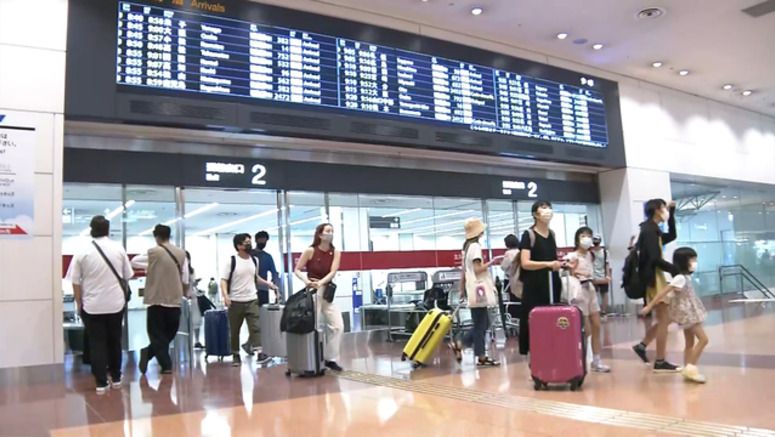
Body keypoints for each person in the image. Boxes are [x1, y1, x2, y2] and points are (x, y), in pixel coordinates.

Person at [70, 215, 133, 394]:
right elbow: (126, 277)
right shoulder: (118, 249)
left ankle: (101, 383)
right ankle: (117, 377)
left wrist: (79, 302)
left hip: (92, 306)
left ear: (91, 230)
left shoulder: (82, 252)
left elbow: (75, 281)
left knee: (97, 343)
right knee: (115, 341)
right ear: (108, 229)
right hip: (115, 304)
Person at [641, 247, 708, 383]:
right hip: (688, 314)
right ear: (685, 261)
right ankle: (691, 368)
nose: (695, 262)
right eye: (692, 259)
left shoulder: (685, 277)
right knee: (703, 339)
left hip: (688, 313)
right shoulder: (680, 278)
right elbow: (663, 292)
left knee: (690, 343)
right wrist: (650, 306)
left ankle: (687, 370)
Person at [132, 224, 189, 375]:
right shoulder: (181, 254)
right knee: (170, 333)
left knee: (157, 334)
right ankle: (165, 364)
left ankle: (150, 354)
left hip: (156, 299)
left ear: (156, 237)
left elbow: (134, 261)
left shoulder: (153, 253)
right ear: (169, 235)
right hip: (175, 299)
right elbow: (185, 277)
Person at [632, 199, 681, 372]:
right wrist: (675, 269)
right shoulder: (649, 230)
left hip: (655, 277)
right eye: (664, 208)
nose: (666, 211)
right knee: (664, 320)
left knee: (664, 320)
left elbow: (672, 235)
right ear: (656, 210)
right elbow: (654, 259)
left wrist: (673, 214)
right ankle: (660, 360)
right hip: (653, 279)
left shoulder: (652, 229)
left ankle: (643, 346)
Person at [449, 218, 502, 366]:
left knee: (480, 322)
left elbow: (465, 272)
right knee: (482, 324)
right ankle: (467, 347)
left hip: (471, 289)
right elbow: (478, 269)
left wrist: (462, 289)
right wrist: (492, 262)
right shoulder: (475, 247)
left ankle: (476, 353)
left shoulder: (466, 248)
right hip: (479, 290)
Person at [221, 233, 279, 367]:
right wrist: (226, 296)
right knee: (235, 330)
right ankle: (235, 354)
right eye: (246, 242)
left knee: (256, 327)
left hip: (252, 298)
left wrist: (268, 284)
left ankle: (260, 353)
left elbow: (256, 277)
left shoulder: (254, 260)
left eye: (249, 242)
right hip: (235, 300)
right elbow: (223, 280)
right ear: (239, 246)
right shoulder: (232, 261)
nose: (249, 244)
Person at [294, 223, 345, 372]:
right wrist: (307, 281)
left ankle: (330, 357)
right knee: (313, 326)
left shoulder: (335, 252)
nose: (331, 233)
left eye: (332, 231)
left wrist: (321, 283)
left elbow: (333, 271)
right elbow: (297, 269)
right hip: (313, 292)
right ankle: (311, 358)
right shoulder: (310, 251)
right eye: (327, 231)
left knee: (338, 326)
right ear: (320, 234)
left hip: (327, 291)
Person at [518, 200, 562, 356]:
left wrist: (559, 265)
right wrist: (547, 264)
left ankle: (551, 353)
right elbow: (525, 263)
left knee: (552, 319)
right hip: (534, 285)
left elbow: (554, 259)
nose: (547, 210)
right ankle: (535, 356)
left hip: (551, 283)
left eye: (549, 207)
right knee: (535, 319)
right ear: (535, 214)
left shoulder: (552, 234)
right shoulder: (529, 235)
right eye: (543, 208)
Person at [564, 227, 611, 373]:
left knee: (597, 325)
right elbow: (567, 273)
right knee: (586, 329)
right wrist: (572, 270)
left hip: (590, 289)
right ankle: (581, 359)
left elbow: (590, 274)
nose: (586, 238)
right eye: (583, 236)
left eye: (589, 236)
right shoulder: (572, 256)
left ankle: (596, 361)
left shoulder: (591, 255)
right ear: (577, 239)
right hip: (578, 292)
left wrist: (601, 280)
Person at [251, 230, 281, 306]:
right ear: (256, 240)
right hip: (249, 289)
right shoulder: (249, 255)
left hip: (263, 289)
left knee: (263, 314)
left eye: (265, 241)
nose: (263, 242)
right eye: (261, 240)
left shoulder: (267, 257)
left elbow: (274, 274)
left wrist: (276, 290)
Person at [185, 252, 204, 349]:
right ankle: (187, 341)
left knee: (196, 320)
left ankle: (197, 340)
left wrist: (195, 283)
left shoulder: (192, 271)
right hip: (183, 298)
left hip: (193, 297)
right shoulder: (178, 270)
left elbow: (192, 284)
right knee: (184, 321)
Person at [590, 234, 612, 316]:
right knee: (594, 294)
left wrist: (608, 276)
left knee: (604, 293)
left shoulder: (605, 252)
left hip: (603, 276)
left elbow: (607, 264)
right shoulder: (590, 253)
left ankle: (603, 311)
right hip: (593, 276)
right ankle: (596, 311)